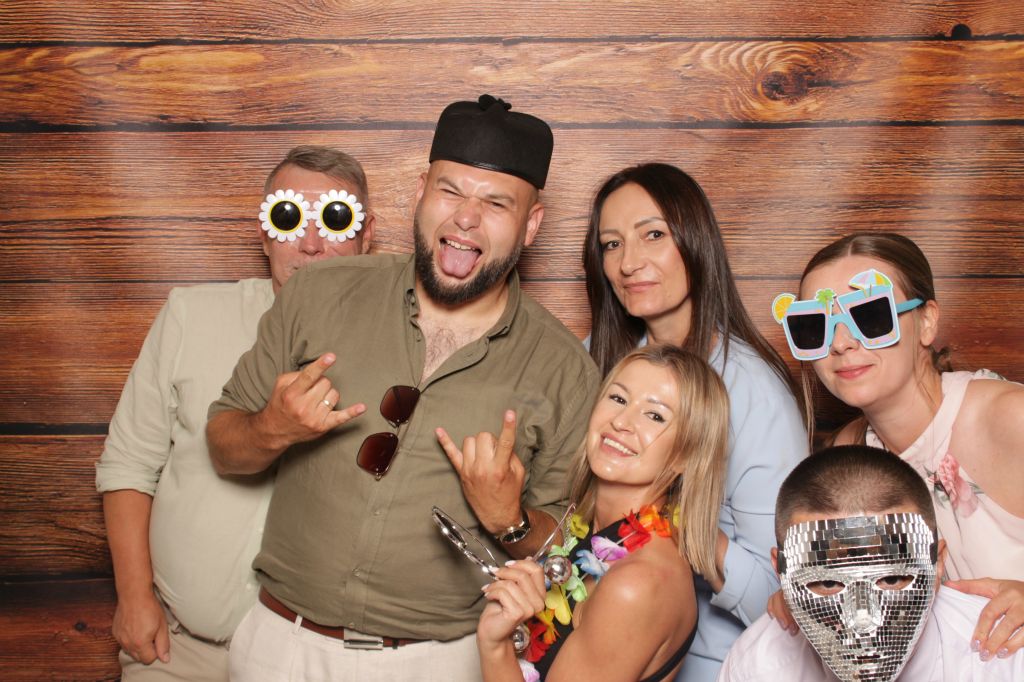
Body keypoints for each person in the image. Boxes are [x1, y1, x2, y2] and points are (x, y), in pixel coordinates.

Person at [206, 95, 601, 681]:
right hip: (282, 647)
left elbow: (566, 550)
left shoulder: (564, 369)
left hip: (437, 663)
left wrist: (510, 519)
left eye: (496, 203)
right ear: (420, 193)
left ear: (532, 225)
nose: (465, 219)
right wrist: (271, 428)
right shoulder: (319, 292)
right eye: (450, 191)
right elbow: (223, 445)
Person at [96, 145, 375, 681]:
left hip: (312, 665)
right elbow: (130, 463)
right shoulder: (191, 316)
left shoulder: (397, 347)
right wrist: (133, 598)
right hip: (178, 651)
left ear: (367, 235)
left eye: (335, 219)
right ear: (264, 232)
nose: (311, 244)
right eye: (289, 217)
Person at [582, 162, 808, 680]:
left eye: (653, 235)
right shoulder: (597, 357)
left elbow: (787, 599)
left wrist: (678, 524)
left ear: (696, 241)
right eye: (612, 244)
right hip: (598, 645)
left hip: (716, 665)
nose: (628, 263)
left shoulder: (753, 393)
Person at [768, 232, 1024, 660]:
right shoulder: (848, 452)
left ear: (927, 322)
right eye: (814, 325)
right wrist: (806, 593)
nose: (841, 343)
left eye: (870, 315)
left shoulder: (1009, 418)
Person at [474, 345, 730, 681]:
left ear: (687, 454)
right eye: (618, 398)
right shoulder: (593, 534)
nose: (621, 422)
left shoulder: (637, 583)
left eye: (655, 416)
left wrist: (494, 646)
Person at [718, 445, 1024, 681]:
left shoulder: (1005, 658)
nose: (863, 620)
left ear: (937, 566)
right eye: (828, 583)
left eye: (892, 579)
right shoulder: (758, 666)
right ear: (781, 572)